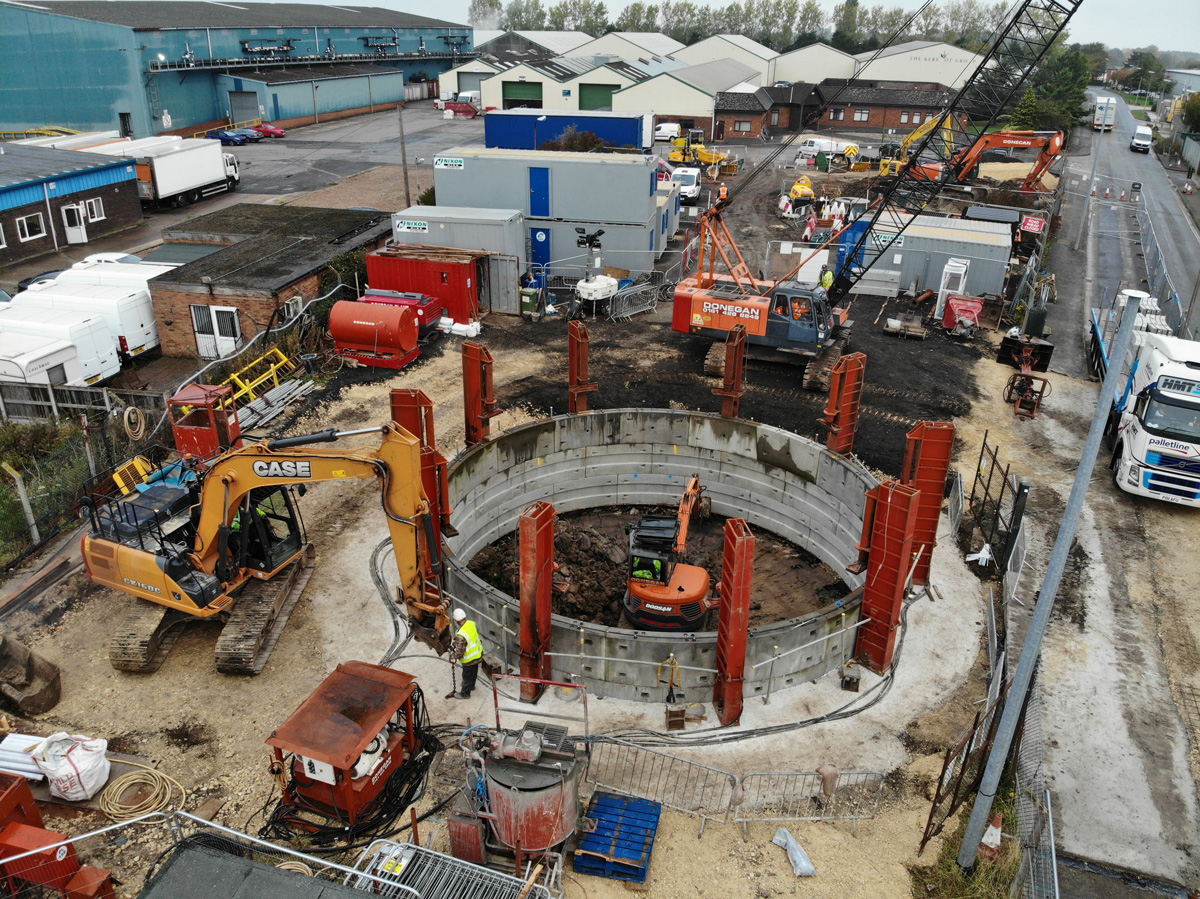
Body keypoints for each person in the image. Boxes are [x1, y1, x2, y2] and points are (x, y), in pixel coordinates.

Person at [449, 608, 483, 699]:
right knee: (474, 672)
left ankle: (465, 693)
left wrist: (452, 656)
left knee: (467, 676)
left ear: (456, 621)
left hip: (468, 659)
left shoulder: (461, 635)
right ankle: (471, 686)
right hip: (477, 654)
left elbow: (459, 652)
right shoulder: (471, 623)